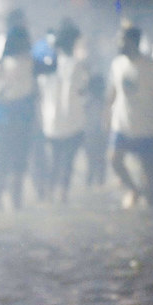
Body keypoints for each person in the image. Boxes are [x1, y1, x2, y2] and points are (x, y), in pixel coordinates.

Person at [105, 26, 153, 208]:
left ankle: (151, 212)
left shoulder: (151, 67)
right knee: (114, 160)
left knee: (148, 173)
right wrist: (107, 115)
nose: (119, 44)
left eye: (123, 40)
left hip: (147, 126)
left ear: (134, 42)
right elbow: (113, 92)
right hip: (122, 125)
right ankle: (133, 189)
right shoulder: (117, 64)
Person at [0, 24, 37, 211]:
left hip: (1, 117)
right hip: (22, 116)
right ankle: (17, 202)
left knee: (1, 157)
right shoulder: (29, 62)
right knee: (19, 158)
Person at [38, 21, 89, 203]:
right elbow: (82, 90)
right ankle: (62, 194)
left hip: (51, 122)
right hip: (72, 122)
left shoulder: (48, 64)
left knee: (54, 159)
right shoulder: (77, 65)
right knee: (67, 162)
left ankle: (49, 192)